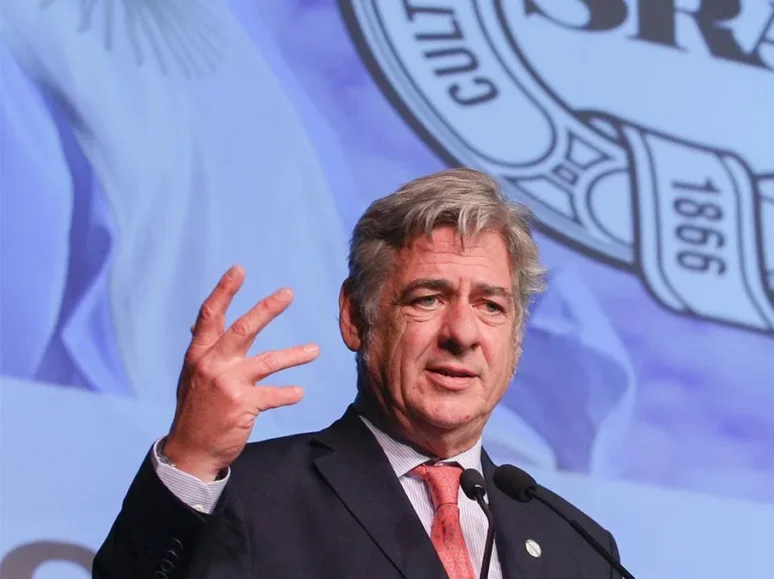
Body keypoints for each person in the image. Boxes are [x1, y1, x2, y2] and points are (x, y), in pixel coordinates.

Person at [92, 168, 622, 578]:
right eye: (428, 298)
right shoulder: (251, 497)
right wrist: (191, 457)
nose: (462, 333)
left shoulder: (578, 547)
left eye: (491, 306)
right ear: (354, 317)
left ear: (516, 341)